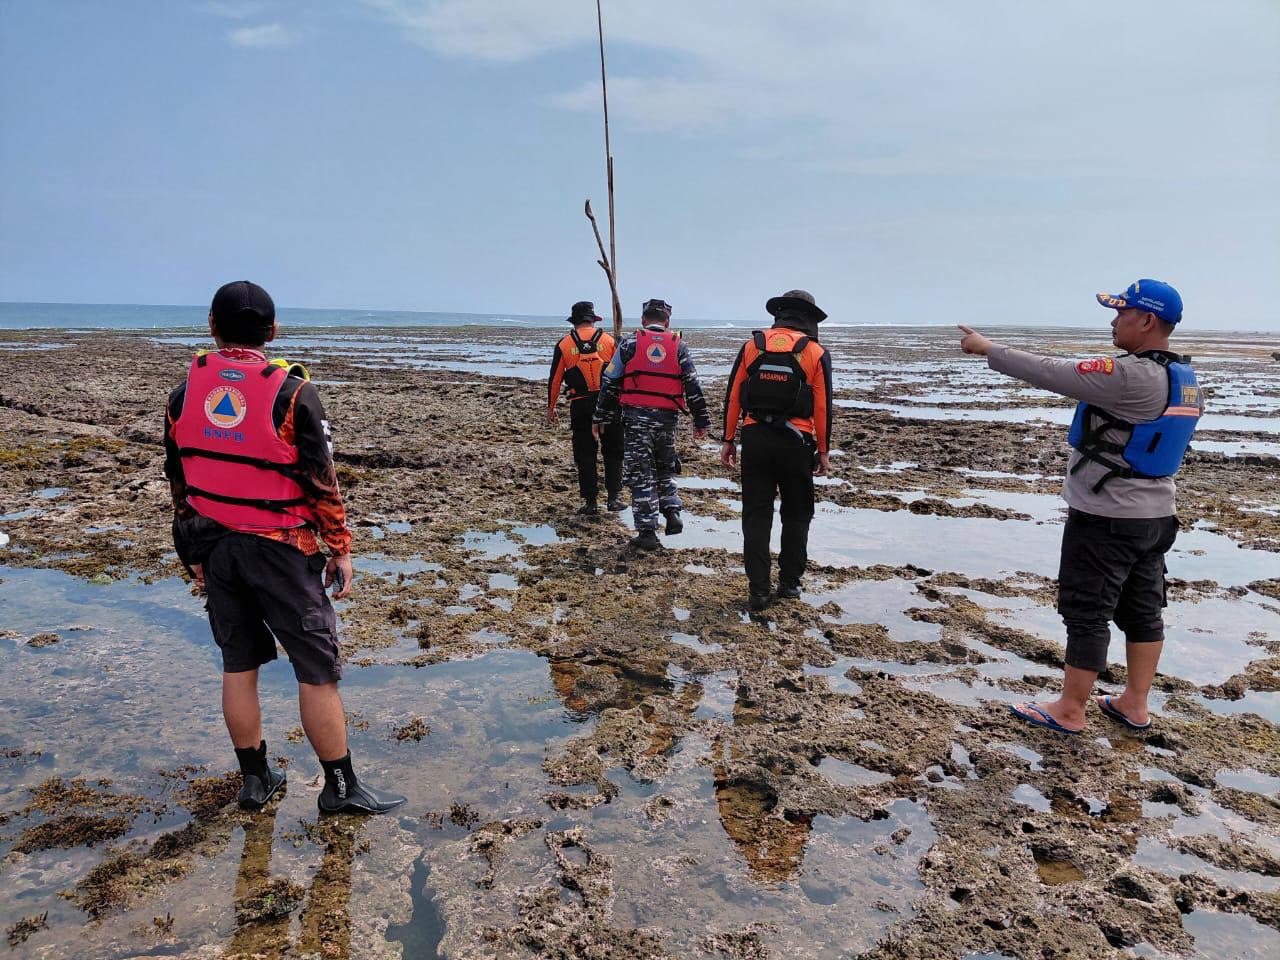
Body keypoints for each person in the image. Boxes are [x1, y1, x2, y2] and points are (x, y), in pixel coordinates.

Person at [165, 280, 405, 814]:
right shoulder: (292, 395)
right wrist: (340, 546)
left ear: (211, 326)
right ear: (272, 332)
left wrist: (196, 555)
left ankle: (255, 780)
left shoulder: (183, 395)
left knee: (238, 664)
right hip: (281, 550)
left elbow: (179, 484)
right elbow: (322, 480)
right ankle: (341, 790)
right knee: (316, 671)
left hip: (217, 548)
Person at [958, 279, 1203, 734]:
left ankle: (1070, 710)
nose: (1113, 321)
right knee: (1144, 611)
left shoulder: (1128, 374)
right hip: (1155, 518)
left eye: (1121, 313)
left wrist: (986, 348)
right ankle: (1134, 702)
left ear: (1147, 320)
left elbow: (1053, 371)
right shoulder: (1184, 380)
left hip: (1107, 517)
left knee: (1087, 611)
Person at [721, 290, 833, 612]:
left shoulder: (751, 346)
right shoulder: (815, 351)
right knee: (797, 514)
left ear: (779, 315)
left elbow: (733, 398)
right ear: (809, 319)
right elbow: (823, 407)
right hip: (797, 442)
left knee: (756, 516)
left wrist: (729, 440)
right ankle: (789, 584)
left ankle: (758, 590)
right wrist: (823, 451)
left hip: (755, 438)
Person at [593, 298, 712, 550]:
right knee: (665, 466)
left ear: (644, 320)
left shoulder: (629, 343)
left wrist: (601, 416)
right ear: (667, 322)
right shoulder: (679, 345)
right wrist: (701, 420)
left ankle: (647, 532)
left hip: (636, 419)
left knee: (641, 473)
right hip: (667, 419)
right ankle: (671, 510)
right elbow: (693, 385)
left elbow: (610, 381)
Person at [547, 301, 625, 514]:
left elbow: (555, 380)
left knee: (585, 453)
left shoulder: (564, 344)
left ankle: (590, 502)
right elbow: (622, 374)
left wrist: (551, 407)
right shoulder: (610, 341)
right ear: (593, 319)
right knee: (614, 450)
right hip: (609, 403)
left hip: (580, 404)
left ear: (574, 322)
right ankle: (614, 498)